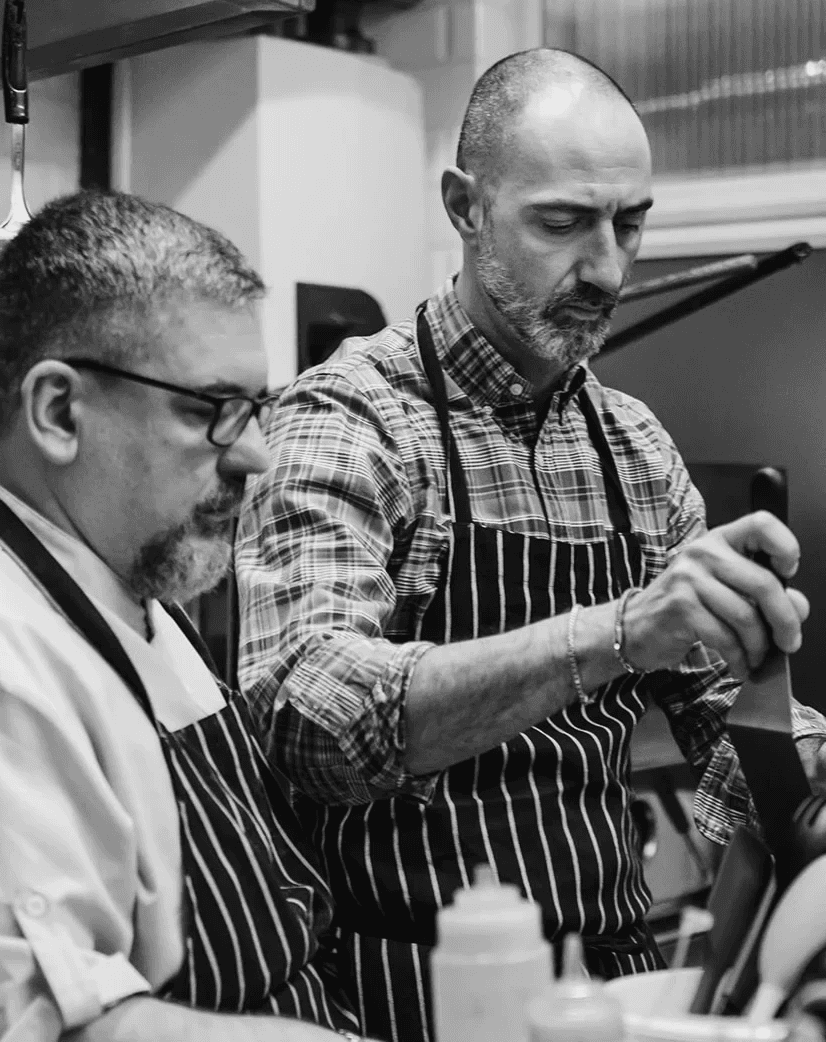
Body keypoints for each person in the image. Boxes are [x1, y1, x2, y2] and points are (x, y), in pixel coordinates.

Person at [234, 48, 826, 1042]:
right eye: (561, 223)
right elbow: (306, 720)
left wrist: (797, 768)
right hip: (391, 991)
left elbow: (722, 717)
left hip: (606, 981)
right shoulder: (351, 420)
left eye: (628, 225)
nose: (604, 267)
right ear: (464, 206)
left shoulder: (634, 447)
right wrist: (615, 632)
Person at [0, 190, 364, 1042]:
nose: (256, 455)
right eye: (208, 410)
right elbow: (48, 1031)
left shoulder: (123, 565)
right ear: (58, 412)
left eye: (256, 407)